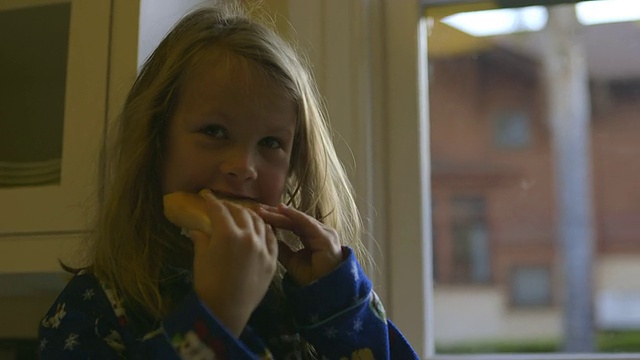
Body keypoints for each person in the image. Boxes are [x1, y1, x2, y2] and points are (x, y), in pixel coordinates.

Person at [39, 2, 418, 359]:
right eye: (215, 132)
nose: (243, 166)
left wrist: (340, 305)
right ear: (155, 143)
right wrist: (216, 315)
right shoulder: (94, 308)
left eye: (271, 142)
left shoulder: (307, 303)